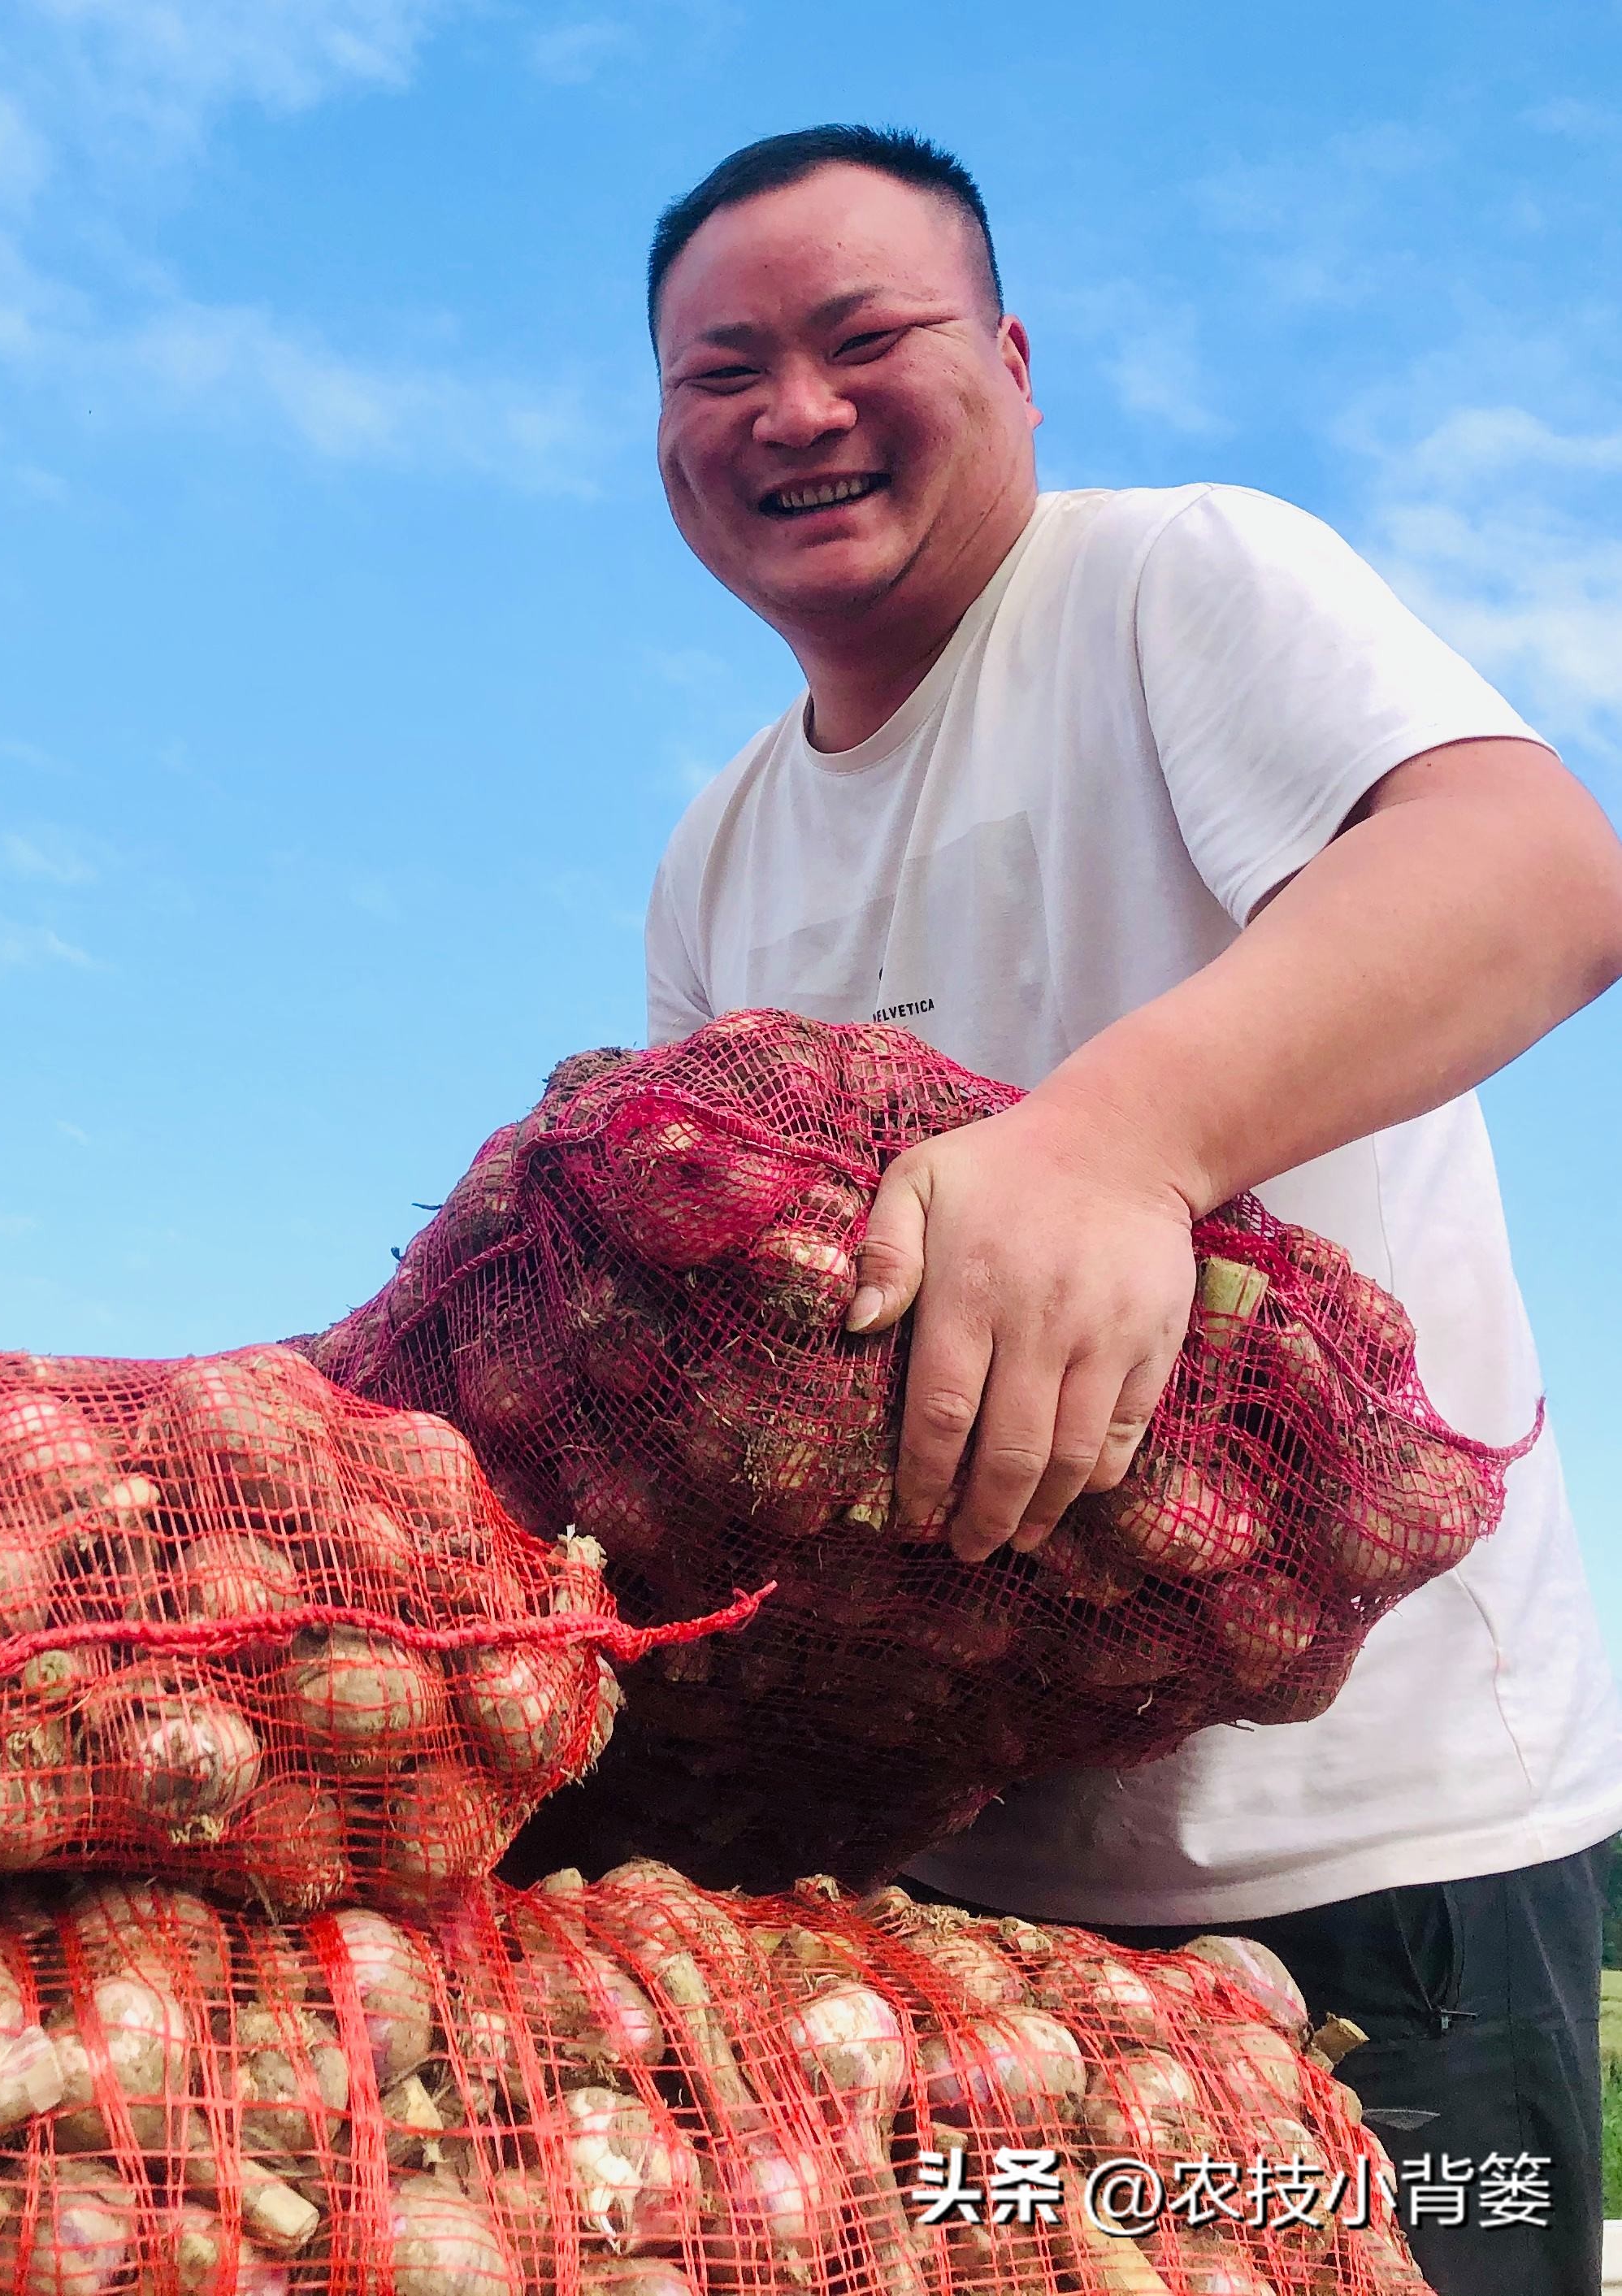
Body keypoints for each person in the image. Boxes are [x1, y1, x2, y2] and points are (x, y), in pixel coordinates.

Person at [637, 124, 1622, 2295]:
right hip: (950, 1908)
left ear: (1010, 362)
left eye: (864, 338)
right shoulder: (718, 851)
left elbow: (1541, 868)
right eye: (723, 372)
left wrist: (1121, 1138)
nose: (795, 410)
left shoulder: (1175, 579)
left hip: (1357, 1865)